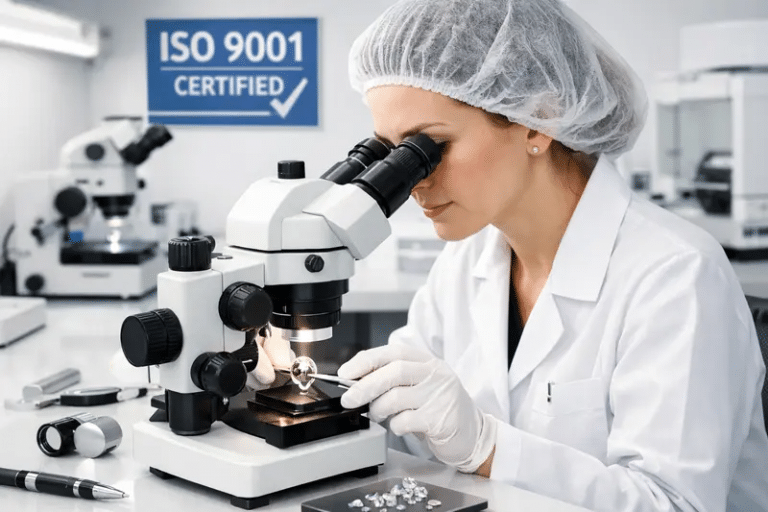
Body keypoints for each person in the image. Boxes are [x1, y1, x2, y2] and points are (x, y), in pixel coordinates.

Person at [323, 0, 768, 511]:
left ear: (538, 120)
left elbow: (674, 504)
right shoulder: (468, 260)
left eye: (430, 147)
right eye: (389, 151)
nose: (413, 181)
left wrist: (487, 447)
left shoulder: (676, 274)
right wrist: (310, 388)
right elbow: (404, 426)